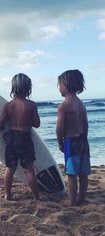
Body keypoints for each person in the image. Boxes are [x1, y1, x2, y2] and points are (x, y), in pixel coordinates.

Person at [0, 73, 40, 200]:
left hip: (11, 138)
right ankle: (36, 197)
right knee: (29, 170)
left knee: (10, 168)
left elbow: (0, 123)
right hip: (24, 139)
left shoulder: (9, 105)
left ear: (13, 88)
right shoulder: (31, 105)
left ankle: (8, 194)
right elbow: (37, 124)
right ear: (28, 88)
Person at [56, 69, 91, 207]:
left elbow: (60, 128)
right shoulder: (81, 104)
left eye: (60, 85)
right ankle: (81, 199)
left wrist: (60, 142)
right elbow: (86, 124)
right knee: (83, 173)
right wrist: (85, 139)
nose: (59, 88)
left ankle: (72, 203)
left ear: (66, 85)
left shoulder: (63, 106)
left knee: (71, 174)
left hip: (71, 142)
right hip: (83, 141)